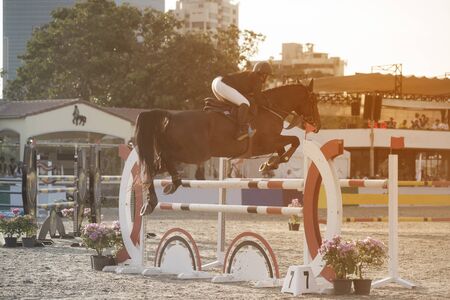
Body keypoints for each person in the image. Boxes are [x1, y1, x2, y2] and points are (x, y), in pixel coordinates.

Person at [211, 61, 273, 140]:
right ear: (264, 74)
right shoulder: (257, 79)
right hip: (222, 84)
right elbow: (258, 100)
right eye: (267, 75)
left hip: (216, 82)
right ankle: (240, 131)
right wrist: (268, 104)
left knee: (238, 103)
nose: (267, 78)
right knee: (245, 103)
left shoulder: (251, 75)